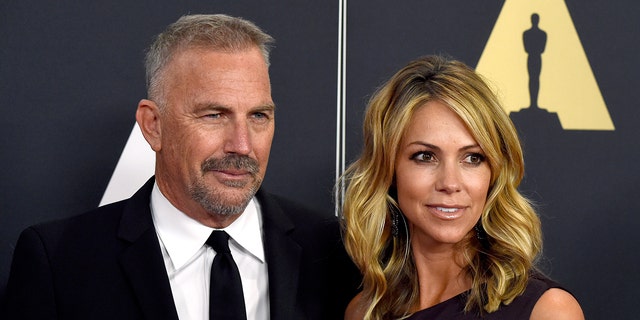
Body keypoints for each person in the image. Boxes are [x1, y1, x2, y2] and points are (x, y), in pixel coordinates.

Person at [3, 14, 360, 320]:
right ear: (153, 125)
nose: (242, 145)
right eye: (214, 115)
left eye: (258, 116)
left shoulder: (336, 252)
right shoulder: (60, 262)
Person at [339, 55, 584, 319]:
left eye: (472, 158)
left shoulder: (548, 310)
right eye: (425, 156)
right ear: (389, 170)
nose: (450, 183)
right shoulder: (364, 311)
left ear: (494, 173)